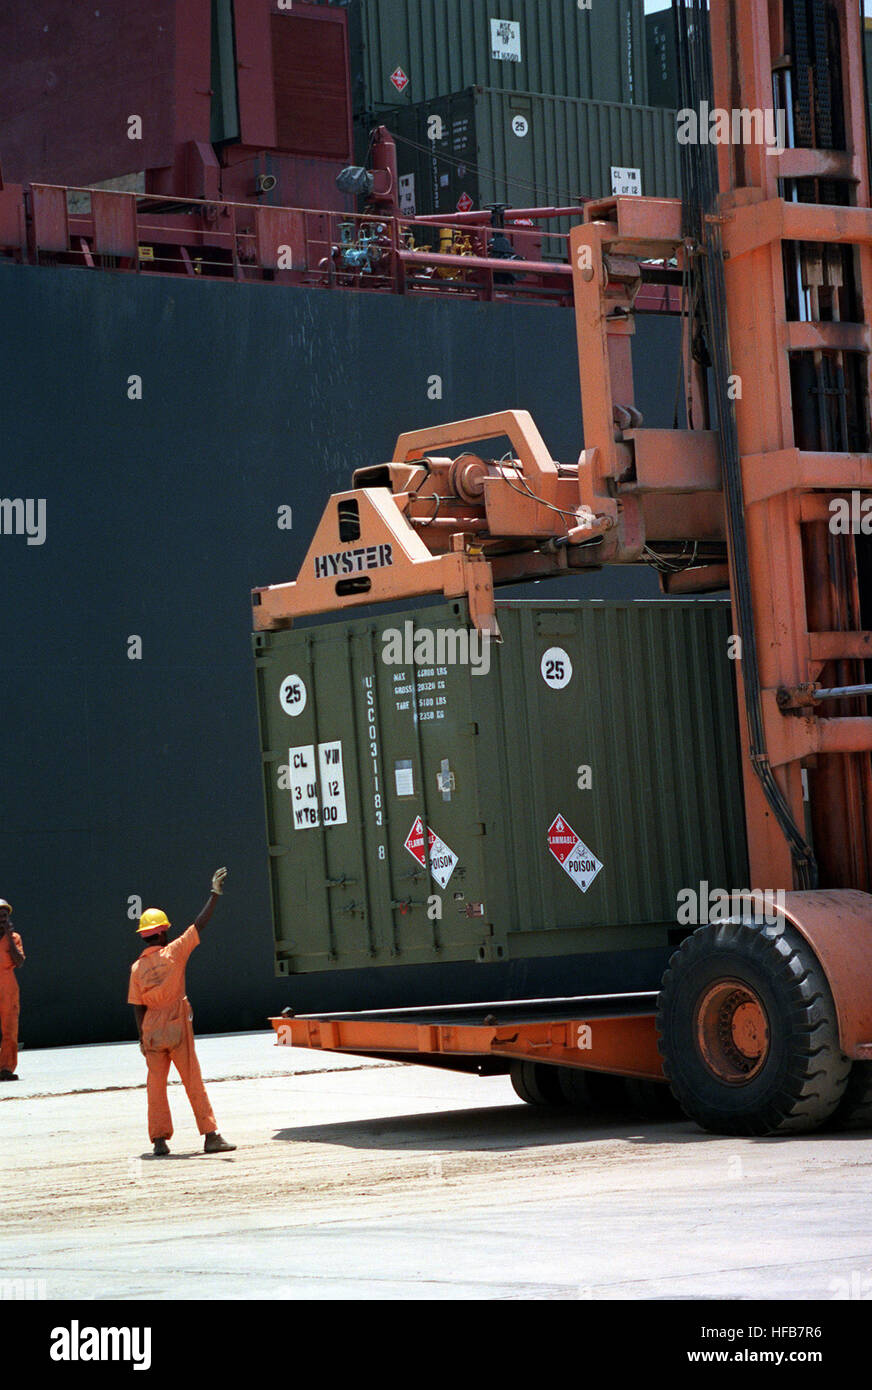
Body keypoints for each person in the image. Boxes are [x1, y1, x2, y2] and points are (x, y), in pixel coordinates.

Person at [128, 868, 236, 1157]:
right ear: (163, 932)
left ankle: (159, 1141)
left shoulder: (136, 969)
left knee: (156, 1088)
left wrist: (142, 1038)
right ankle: (210, 1135)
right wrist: (214, 894)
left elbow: (138, 1006)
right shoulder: (174, 952)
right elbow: (199, 925)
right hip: (176, 1025)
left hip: (151, 1030)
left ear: (144, 936)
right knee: (192, 1081)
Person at [0, 900, 24, 1081]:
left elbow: (19, 961)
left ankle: (6, 1068)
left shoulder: (14, 938)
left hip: (8, 986)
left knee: (10, 1027)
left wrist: (8, 936)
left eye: (4, 916)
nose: (1, 919)